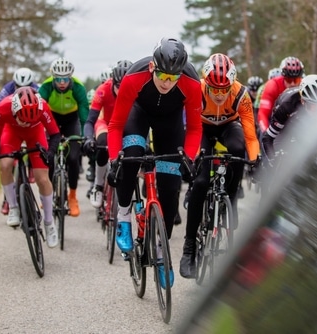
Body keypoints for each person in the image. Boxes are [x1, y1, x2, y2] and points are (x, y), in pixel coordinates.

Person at [107, 37, 203, 287]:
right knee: (131, 156)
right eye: (163, 76)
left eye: (174, 78)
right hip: (138, 115)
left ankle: (161, 251)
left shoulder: (191, 83)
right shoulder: (134, 76)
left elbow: (194, 129)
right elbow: (116, 125)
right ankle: (124, 216)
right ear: (153, 68)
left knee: (171, 188)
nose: (167, 83)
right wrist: (113, 158)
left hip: (169, 124)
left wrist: (188, 158)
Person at [179, 53, 261, 279]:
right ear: (206, 82)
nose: (218, 94)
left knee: (237, 148)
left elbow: (251, 137)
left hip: (228, 127)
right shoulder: (197, 90)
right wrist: (194, 158)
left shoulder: (241, 94)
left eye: (223, 90)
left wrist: (254, 160)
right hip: (202, 129)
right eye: (214, 89)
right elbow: (192, 130)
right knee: (202, 181)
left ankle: (231, 199)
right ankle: (189, 249)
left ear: (231, 84)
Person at [0, 86, 61, 248]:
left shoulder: (43, 106)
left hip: (36, 135)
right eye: (23, 119)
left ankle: (49, 222)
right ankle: (13, 207)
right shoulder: (2, 107)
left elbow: (55, 134)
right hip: (11, 133)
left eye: (30, 120)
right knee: (5, 165)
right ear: (14, 110)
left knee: (42, 177)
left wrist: (50, 153)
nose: (26, 123)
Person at [38, 57, 89, 217]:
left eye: (65, 78)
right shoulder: (46, 87)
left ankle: (72, 196)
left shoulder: (78, 87)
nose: (62, 82)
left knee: (73, 158)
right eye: (58, 79)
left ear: (70, 77)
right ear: (53, 77)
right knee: (50, 157)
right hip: (51, 118)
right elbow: (38, 112)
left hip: (71, 120)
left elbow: (84, 115)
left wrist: (85, 136)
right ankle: (50, 193)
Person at [83, 59, 134, 208]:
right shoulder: (103, 89)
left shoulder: (136, 90)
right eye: (119, 86)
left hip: (126, 125)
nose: (122, 90)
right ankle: (98, 186)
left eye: (126, 86)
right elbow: (90, 121)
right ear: (113, 82)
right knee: (103, 144)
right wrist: (88, 138)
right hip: (106, 123)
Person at [0, 67, 39, 215]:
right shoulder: (5, 91)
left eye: (26, 87)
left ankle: (31, 167)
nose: (21, 90)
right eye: (18, 87)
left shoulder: (38, 90)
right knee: (7, 163)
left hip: (31, 126)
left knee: (37, 146)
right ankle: (7, 199)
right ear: (14, 85)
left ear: (32, 84)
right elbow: (0, 117)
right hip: (11, 126)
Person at [262, 74, 317, 161]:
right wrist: (273, 160)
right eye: (313, 106)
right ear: (303, 101)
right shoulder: (287, 105)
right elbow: (268, 138)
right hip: (287, 124)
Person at [257, 57, 304, 136]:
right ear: (283, 77)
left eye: (296, 80)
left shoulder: (304, 84)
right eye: (289, 80)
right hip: (273, 120)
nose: (292, 84)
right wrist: (266, 132)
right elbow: (263, 113)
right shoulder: (272, 85)